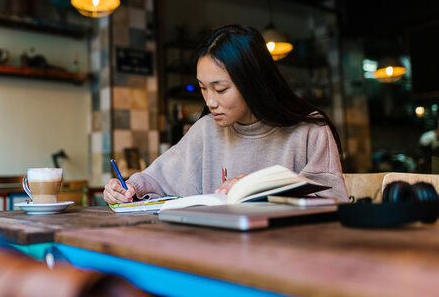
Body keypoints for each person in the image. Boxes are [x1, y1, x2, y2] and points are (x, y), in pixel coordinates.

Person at [104, 24, 348, 204]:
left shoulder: (309, 131)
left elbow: (333, 201)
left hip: (286, 256)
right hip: (216, 251)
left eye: (220, 89)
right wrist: (128, 189)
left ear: (253, 82)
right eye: (202, 88)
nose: (210, 101)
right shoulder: (206, 130)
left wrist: (257, 188)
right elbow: (158, 179)